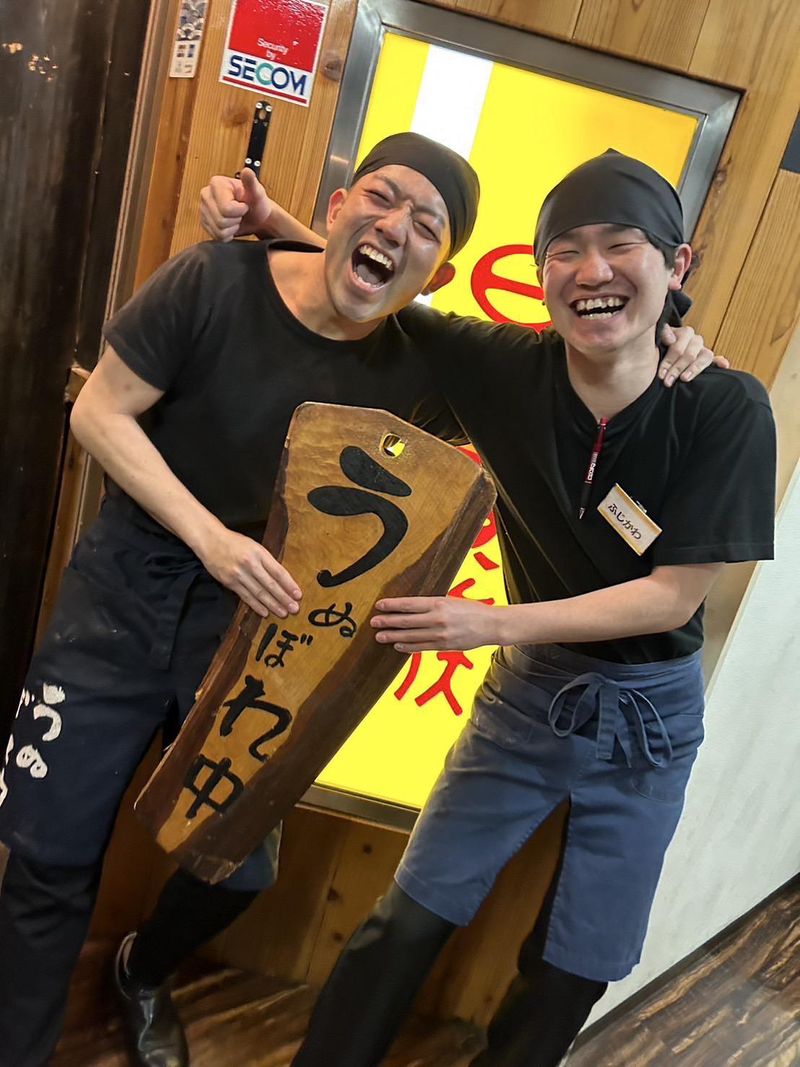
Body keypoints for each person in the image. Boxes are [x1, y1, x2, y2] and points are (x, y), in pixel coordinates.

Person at [0, 134, 712, 1067]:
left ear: (436, 272)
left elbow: (562, 361)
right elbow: (100, 411)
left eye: (427, 225)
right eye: (381, 198)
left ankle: (140, 968)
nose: (395, 227)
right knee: (47, 855)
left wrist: (671, 339)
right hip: (124, 591)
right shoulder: (213, 280)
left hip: (259, 617)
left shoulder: (423, 359)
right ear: (336, 207)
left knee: (238, 865)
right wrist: (212, 538)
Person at [205, 150, 775, 1067]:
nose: (592, 270)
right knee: (408, 916)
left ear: (677, 265)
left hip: (649, 722)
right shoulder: (507, 369)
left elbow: (672, 596)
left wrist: (485, 624)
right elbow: (388, 297)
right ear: (542, 274)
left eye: (620, 245)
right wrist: (272, 223)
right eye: (566, 250)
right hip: (529, 696)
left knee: (575, 966)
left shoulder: (725, 407)